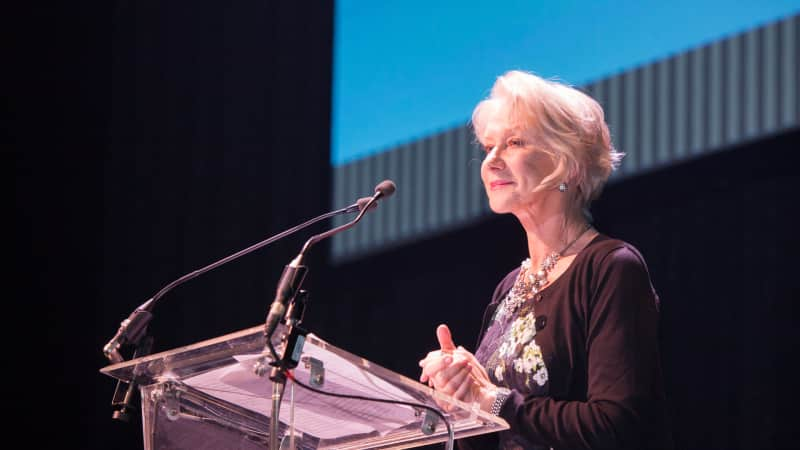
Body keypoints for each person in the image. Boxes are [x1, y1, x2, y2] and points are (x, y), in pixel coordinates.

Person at [418, 70, 672, 450]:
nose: (491, 161)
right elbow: (498, 433)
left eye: (514, 143)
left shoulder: (611, 268)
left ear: (566, 163)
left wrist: (493, 401)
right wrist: (461, 393)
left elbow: (616, 426)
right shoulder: (510, 287)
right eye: (488, 147)